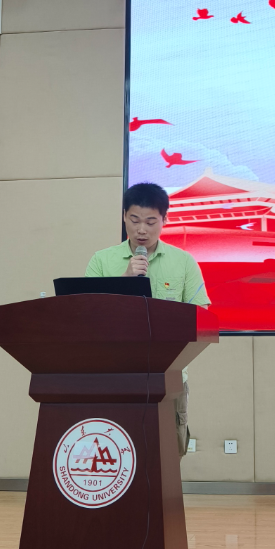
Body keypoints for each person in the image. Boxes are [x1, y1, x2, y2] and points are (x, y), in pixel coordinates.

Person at [86, 182, 209, 455]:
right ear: (124, 217)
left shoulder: (183, 262)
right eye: (135, 220)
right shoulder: (102, 261)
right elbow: (89, 316)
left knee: (169, 453)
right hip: (115, 374)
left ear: (165, 220)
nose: (142, 229)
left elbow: (201, 316)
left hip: (169, 374)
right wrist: (125, 280)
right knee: (117, 454)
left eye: (151, 221)